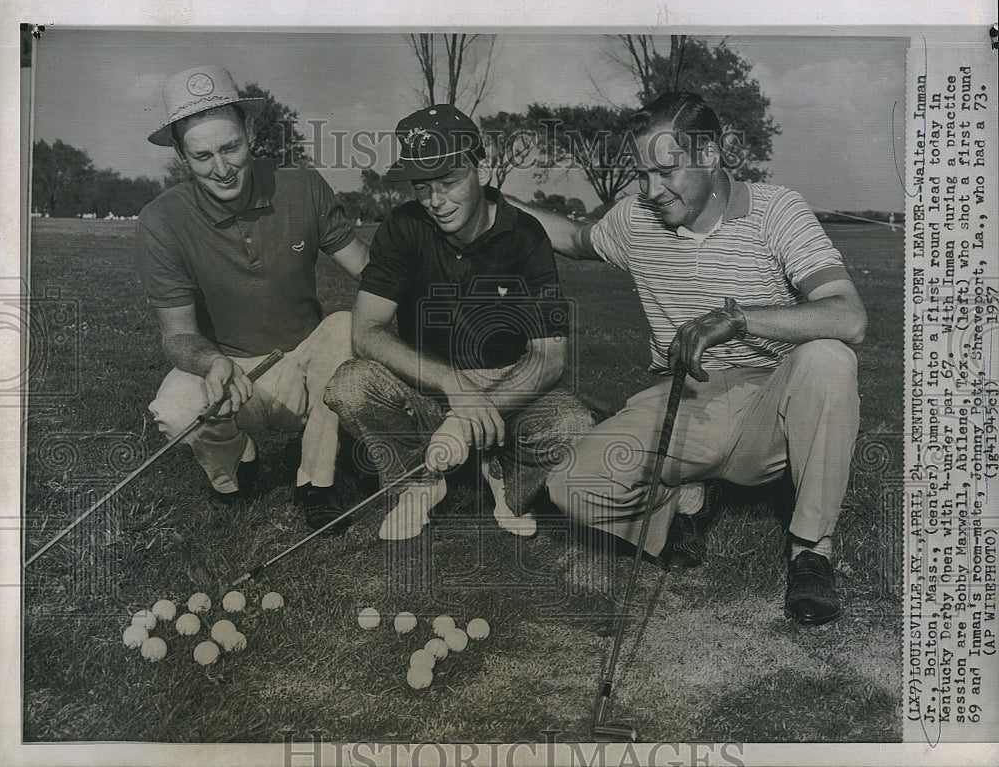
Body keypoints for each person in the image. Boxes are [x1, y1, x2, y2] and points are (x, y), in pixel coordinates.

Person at [539, 92, 867, 625]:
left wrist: (738, 318)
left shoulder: (775, 209)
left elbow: (848, 316)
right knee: (569, 486)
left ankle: (812, 550)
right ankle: (684, 503)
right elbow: (575, 238)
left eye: (665, 172)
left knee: (829, 359)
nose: (650, 191)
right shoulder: (635, 218)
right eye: (641, 175)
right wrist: (491, 201)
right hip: (687, 397)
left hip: (774, 404)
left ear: (710, 154)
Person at [325, 104, 593, 541]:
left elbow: (549, 358)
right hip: (426, 386)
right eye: (423, 186)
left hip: (506, 386)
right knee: (349, 384)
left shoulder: (526, 235)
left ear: (480, 171)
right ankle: (417, 482)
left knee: (573, 425)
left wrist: (472, 414)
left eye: (449, 182)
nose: (436, 201)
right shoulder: (401, 227)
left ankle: (508, 479)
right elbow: (366, 332)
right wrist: (452, 384)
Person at [137, 65, 369, 531]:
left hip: (305, 363)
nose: (221, 169)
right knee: (175, 408)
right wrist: (210, 364)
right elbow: (178, 335)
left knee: (345, 326)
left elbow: (373, 275)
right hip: (231, 371)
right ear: (182, 156)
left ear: (250, 132)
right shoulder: (161, 220)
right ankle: (236, 462)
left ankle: (316, 480)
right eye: (202, 156)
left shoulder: (302, 186)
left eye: (230, 148)